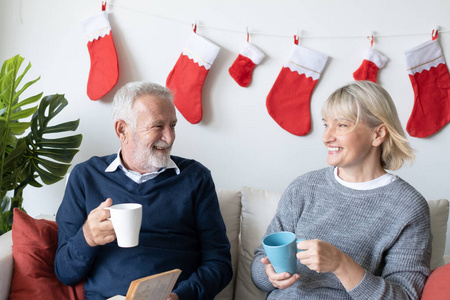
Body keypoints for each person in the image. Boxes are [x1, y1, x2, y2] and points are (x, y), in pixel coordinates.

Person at [251, 81, 432, 299]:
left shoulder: (408, 207)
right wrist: (270, 275)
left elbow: (404, 296)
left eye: (342, 125)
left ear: (378, 134)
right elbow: (262, 260)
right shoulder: (304, 187)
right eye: (326, 124)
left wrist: (341, 264)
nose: (327, 137)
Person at [55, 81, 232, 300]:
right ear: (122, 130)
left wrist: (180, 297)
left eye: (173, 125)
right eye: (157, 126)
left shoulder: (195, 178)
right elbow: (65, 273)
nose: (169, 137)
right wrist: (87, 238)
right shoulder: (85, 177)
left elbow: (220, 265)